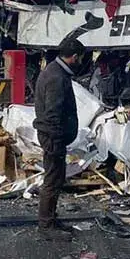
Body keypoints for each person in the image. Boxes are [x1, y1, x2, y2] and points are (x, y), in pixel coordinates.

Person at [32, 35, 86, 238]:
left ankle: (51, 219)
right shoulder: (56, 77)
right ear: (73, 57)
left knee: (56, 178)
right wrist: (56, 140)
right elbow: (52, 114)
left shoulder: (55, 72)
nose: (80, 62)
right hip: (52, 137)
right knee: (52, 180)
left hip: (53, 136)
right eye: (79, 58)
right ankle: (46, 226)